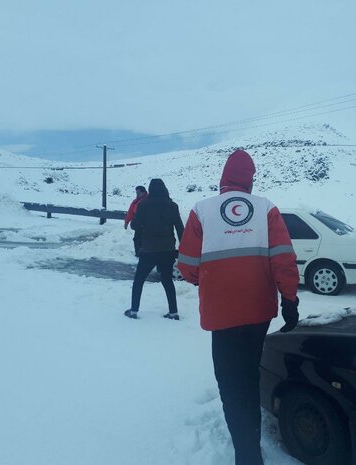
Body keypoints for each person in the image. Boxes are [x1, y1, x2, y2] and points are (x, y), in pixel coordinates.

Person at [177, 149, 299, 465]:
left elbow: (187, 265)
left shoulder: (202, 211)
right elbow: (284, 258)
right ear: (250, 179)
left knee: (231, 384)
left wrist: (206, 278)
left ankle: (246, 453)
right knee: (249, 372)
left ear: (223, 177)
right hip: (259, 312)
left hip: (221, 315)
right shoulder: (266, 209)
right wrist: (289, 299)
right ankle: (252, 439)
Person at [124, 178, 184, 320]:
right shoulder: (172, 206)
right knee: (167, 280)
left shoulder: (144, 205)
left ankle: (133, 311)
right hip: (167, 249)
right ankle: (173, 312)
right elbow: (180, 228)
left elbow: (134, 226)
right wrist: (184, 248)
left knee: (139, 280)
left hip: (148, 249)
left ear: (150, 190)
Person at [124, 185, 148, 257]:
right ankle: (138, 253)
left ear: (143, 192)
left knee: (142, 239)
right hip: (138, 224)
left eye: (138, 193)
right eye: (136, 193)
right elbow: (130, 212)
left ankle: (142, 254)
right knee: (137, 239)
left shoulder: (148, 199)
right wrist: (126, 222)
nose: (137, 194)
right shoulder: (135, 201)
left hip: (146, 224)